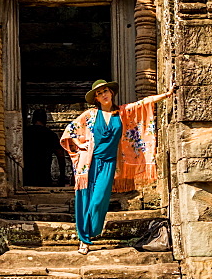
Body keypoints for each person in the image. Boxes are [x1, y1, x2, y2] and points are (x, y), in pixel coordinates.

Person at [61, 79, 175, 254]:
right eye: (99, 94)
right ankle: (84, 240)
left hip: (108, 163)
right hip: (89, 162)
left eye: (105, 91)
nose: (103, 95)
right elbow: (71, 129)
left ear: (111, 93)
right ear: (96, 99)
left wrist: (166, 95)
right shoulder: (91, 114)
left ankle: (90, 232)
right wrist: (79, 143)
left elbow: (142, 104)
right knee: (84, 200)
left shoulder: (121, 113)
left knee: (98, 200)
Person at [23, 108, 67, 186]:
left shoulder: (24, 133)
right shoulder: (50, 135)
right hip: (44, 175)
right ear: (45, 120)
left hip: (26, 176)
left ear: (33, 119)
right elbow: (60, 156)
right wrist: (62, 176)